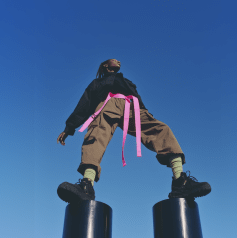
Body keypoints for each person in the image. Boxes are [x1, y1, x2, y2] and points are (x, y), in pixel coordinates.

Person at [56, 59, 211, 203]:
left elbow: (138, 99)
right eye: (113, 59)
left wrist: (146, 114)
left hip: (132, 107)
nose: (118, 61)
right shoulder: (98, 82)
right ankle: (86, 186)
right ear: (105, 65)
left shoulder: (126, 81)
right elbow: (84, 105)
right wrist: (69, 128)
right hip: (107, 104)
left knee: (161, 130)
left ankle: (180, 181)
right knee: (96, 135)